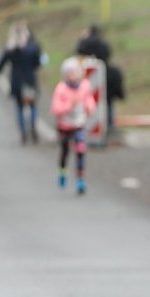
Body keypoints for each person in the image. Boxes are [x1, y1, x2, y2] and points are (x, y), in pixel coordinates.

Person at [51, 57, 97, 195]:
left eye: (75, 72)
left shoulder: (85, 86)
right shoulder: (61, 89)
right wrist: (69, 105)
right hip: (65, 125)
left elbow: (89, 100)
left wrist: (90, 108)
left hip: (79, 124)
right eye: (69, 73)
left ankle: (80, 179)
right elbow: (55, 108)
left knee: (80, 149)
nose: (72, 76)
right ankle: (62, 171)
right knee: (65, 150)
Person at [0, 22, 43, 144]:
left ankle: (23, 131)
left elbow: (2, 62)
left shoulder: (11, 49)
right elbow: (38, 62)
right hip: (29, 80)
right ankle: (32, 125)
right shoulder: (32, 48)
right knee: (32, 105)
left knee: (20, 107)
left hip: (16, 81)